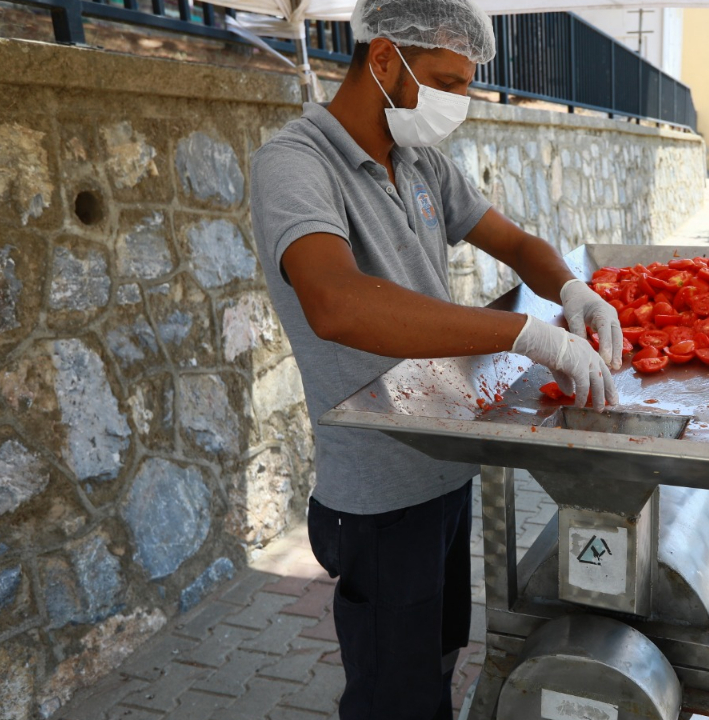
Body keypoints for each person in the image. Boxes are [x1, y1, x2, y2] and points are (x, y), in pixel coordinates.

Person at [248, 1, 623, 717]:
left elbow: (515, 245)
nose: (461, 102)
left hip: (445, 465)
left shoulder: (420, 162)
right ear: (384, 60)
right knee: (395, 696)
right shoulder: (295, 164)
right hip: (379, 496)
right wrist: (519, 335)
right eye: (447, 81)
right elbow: (335, 301)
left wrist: (572, 289)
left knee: (442, 659)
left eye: (467, 85)